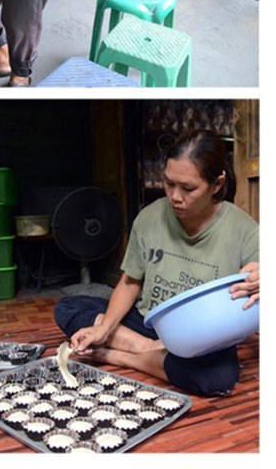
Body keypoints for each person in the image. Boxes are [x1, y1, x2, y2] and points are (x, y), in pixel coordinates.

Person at [55, 129, 259, 396]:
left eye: (188, 188)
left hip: (201, 334)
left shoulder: (244, 230)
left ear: (217, 185)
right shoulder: (150, 217)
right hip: (148, 321)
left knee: (219, 379)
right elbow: (130, 283)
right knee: (68, 307)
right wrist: (104, 329)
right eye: (168, 183)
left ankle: (121, 355)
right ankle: (150, 349)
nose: (175, 196)